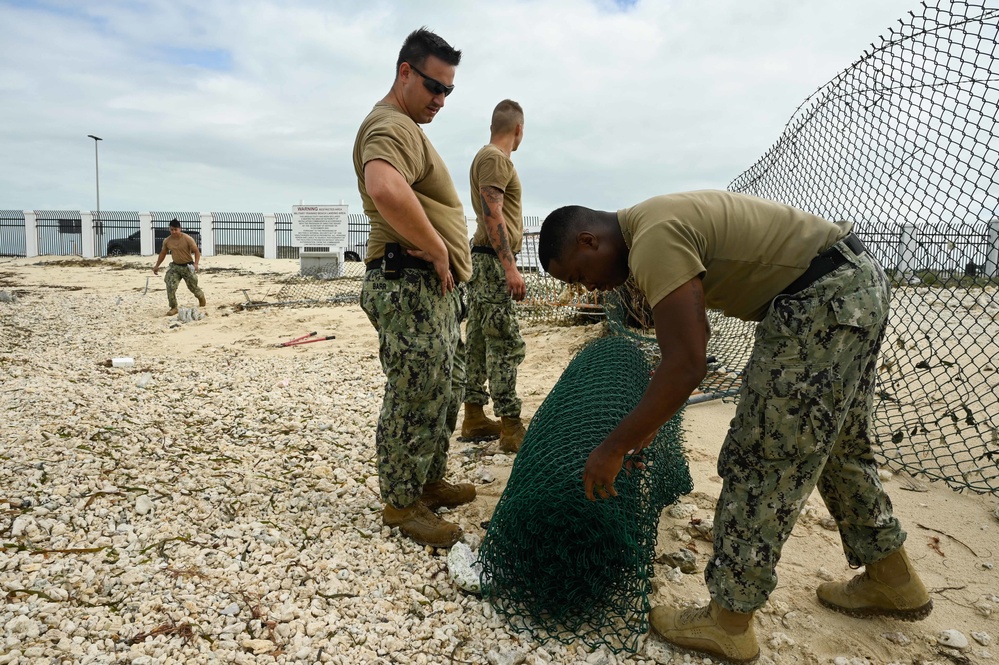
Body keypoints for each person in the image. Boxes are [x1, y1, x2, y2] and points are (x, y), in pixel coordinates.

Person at [538, 190, 931, 663]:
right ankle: (893, 578)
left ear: (588, 240)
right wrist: (645, 425)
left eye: (581, 276)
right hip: (852, 287)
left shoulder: (652, 241)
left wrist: (613, 448)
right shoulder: (653, 223)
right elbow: (691, 342)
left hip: (820, 301)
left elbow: (687, 363)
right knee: (839, 446)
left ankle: (728, 622)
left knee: (762, 457)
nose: (592, 290)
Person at [352, 27, 475, 549]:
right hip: (408, 281)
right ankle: (402, 504)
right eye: (433, 86)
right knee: (416, 389)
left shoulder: (407, 125)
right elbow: (384, 187)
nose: (440, 100)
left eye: (448, 90)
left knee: (442, 387)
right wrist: (439, 247)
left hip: (429, 288)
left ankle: (426, 481)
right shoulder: (389, 125)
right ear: (405, 72)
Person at [462, 99, 528, 452]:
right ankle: (510, 425)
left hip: (484, 261)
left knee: (478, 339)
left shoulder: (489, 157)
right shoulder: (495, 159)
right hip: (493, 262)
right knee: (503, 340)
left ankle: (473, 415)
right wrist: (510, 267)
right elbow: (492, 214)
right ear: (518, 129)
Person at [152, 219, 206, 316]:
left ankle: (201, 297)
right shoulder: (167, 241)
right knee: (170, 285)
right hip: (175, 267)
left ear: (180, 229)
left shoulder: (187, 238)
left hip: (187, 266)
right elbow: (163, 253)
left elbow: (197, 251)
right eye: (171, 230)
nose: (173, 232)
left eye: (175, 230)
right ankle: (173, 307)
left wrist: (196, 264)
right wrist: (157, 266)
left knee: (193, 287)